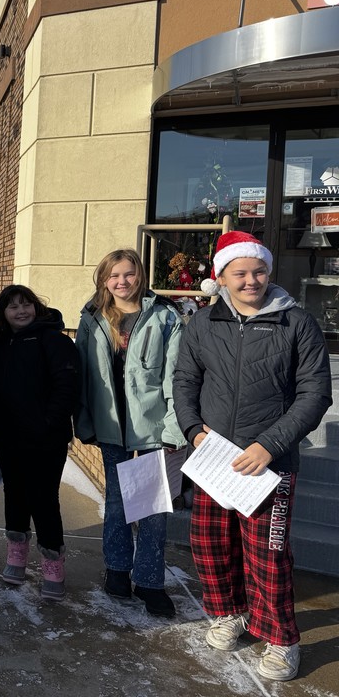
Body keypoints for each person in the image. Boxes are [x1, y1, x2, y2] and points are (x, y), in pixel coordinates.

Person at [174, 231, 331, 682]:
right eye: (239, 273)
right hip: (215, 460)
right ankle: (230, 613)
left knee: (268, 555)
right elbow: (185, 380)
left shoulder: (296, 323)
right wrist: (192, 430)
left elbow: (315, 393)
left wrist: (270, 445)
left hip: (270, 463)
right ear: (221, 277)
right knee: (211, 546)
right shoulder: (203, 324)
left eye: (258, 270)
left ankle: (281, 639)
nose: (251, 280)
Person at [75, 248, 186, 618]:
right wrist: (86, 422)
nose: (122, 282)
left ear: (140, 274)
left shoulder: (165, 316)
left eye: (128, 274)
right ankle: (118, 570)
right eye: (114, 276)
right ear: (104, 280)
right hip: (111, 427)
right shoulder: (92, 318)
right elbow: (84, 377)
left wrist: (173, 428)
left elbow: (176, 377)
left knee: (153, 508)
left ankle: (151, 581)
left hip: (153, 428)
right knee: (118, 504)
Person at [0, 285, 80, 600]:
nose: (21, 311)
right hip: (7, 437)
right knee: (15, 493)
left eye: (26, 304)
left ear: (36, 307)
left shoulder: (54, 341)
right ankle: (16, 554)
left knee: (43, 498)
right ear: (3, 313)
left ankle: (53, 563)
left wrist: (48, 423)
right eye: (12, 307)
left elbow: (66, 386)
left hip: (46, 439)